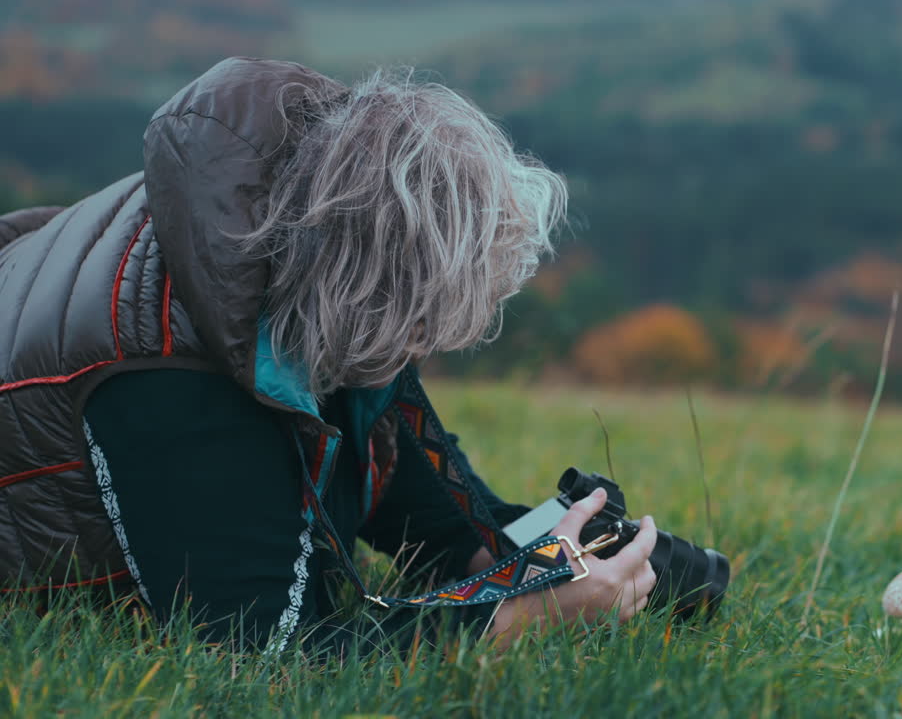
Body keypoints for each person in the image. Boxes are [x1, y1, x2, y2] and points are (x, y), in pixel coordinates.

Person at [0, 57, 658, 652]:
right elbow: (262, 655)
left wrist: (547, 560)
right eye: (419, 317)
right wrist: (523, 621)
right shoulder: (168, 375)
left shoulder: (291, 235)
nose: (422, 344)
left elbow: (445, 530)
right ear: (369, 289)